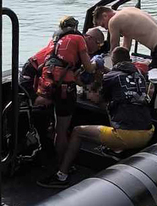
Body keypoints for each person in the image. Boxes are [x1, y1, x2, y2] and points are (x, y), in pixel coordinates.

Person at [37, 47, 154, 189]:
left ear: (113, 61)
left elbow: (97, 98)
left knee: (77, 131)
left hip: (127, 136)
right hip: (148, 132)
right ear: (129, 60)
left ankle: (61, 176)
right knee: (119, 106)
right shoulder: (140, 75)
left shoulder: (110, 77)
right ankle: (116, 149)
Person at [18, 16, 99, 167]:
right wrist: (97, 64)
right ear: (89, 37)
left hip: (44, 80)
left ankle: (49, 154)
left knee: (52, 122)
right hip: (43, 79)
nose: (97, 48)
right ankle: (61, 166)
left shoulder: (57, 41)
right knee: (60, 129)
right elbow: (87, 69)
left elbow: (63, 71)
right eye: (98, 44)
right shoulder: (78, 40)